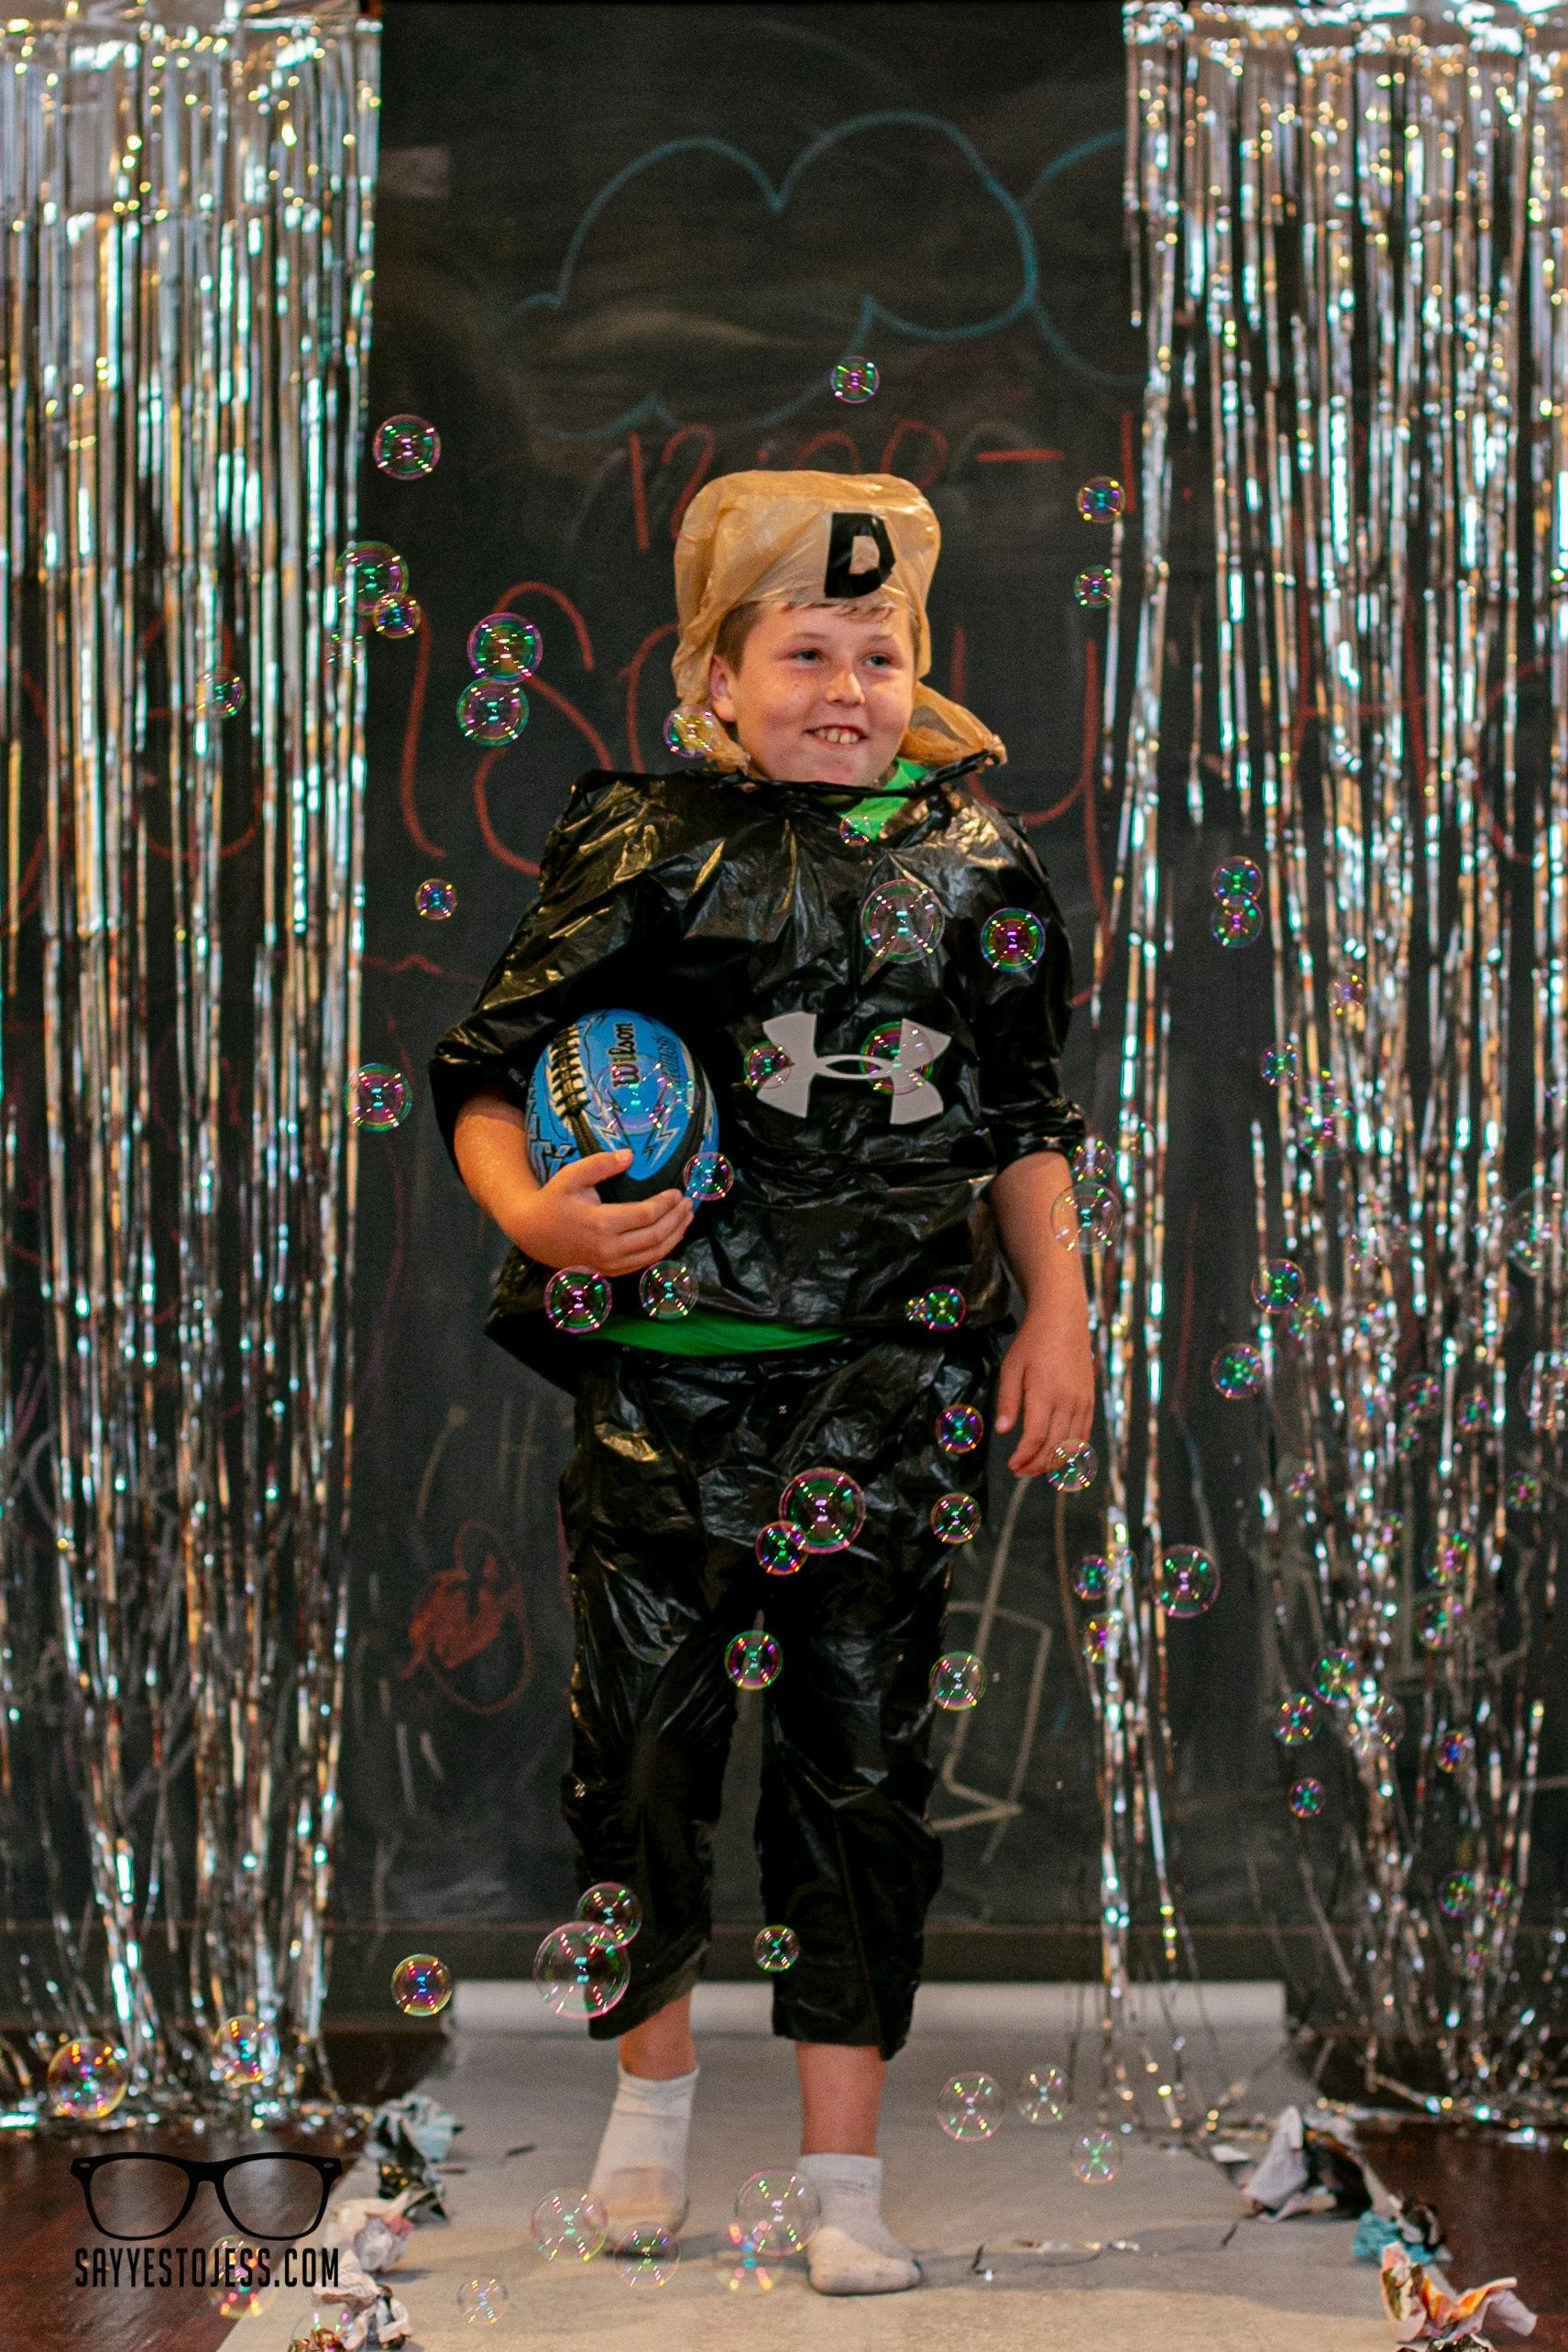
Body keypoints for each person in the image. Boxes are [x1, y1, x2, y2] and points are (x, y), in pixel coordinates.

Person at [430, 470, 1093, 2295]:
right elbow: (490, 1075)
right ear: (714, 672)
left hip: (882, 1394)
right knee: (645, 1757)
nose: (846, 681)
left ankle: (841, 2172)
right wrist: (540, 1221)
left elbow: (1025, 1121)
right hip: (666, 1396)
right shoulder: (647, 844)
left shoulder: (974, 867)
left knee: (860, 1769)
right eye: (804, 645)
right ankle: (647, 2110)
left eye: (879, 649)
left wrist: (1062, 1307)